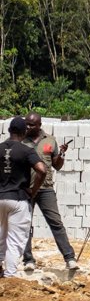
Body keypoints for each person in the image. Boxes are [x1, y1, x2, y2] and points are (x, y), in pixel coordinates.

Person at [20, 113, 77, 272]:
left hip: (45, 189)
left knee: (56, 223)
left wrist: (62, 154)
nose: (28, 127)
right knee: (25, 225)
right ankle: (28, 260)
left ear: (39, 125)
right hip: (26, 189)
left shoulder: (50, 140)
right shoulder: (21, 141)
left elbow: (57, 166)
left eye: (31, 125)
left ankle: (69, 258)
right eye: (27, 124)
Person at [1, 118, 48, 278]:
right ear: (24, 132)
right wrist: (33, 191)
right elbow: (41, 170)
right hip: (19, 200)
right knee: (14, 240)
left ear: (9, 131)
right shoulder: (26, 150)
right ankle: (9, 276)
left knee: (0, 237)